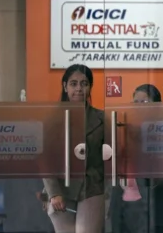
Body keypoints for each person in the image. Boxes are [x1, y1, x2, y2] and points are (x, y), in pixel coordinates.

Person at [110, 84, 163, 233]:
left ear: (156, 106)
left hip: (159, 202)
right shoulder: (124, 130)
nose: (139, 106)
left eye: (145, 102)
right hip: (130, 204)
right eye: (136, 102)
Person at [43, 64, 105, 233]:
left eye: (84, 84)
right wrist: (53, 193)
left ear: (90, 87)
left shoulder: (101, 118)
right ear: (65, 86)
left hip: (92, 188)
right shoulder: (53, 120)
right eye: (73, 83)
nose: (79, 88)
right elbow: (45, 160)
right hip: (61, 188)